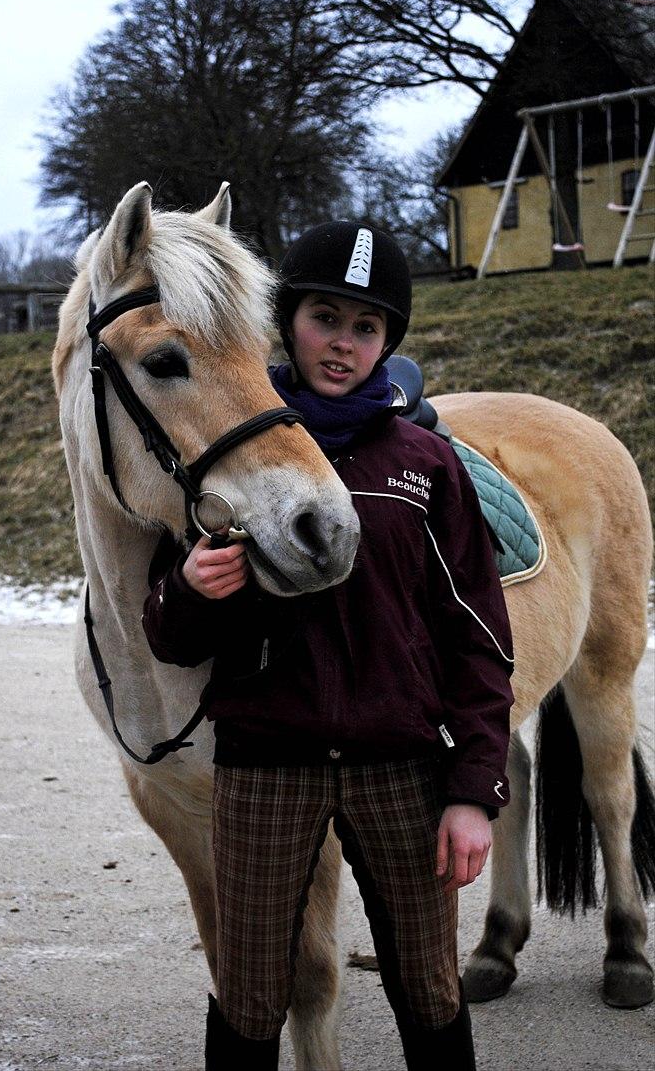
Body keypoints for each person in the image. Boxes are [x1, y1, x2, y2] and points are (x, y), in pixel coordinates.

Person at [142, 221, 515, 1070]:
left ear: (388, 341)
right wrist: (191, 589)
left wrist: (473, 789)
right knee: (247, 994)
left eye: (366, 326)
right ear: (288, 322)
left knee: (429, 986)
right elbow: (168, 636)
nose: (343, 343)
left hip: (403, 769)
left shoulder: (426, 463)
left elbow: (478, 638)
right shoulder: (225, 457)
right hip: (265, 767)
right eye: (324, 317)